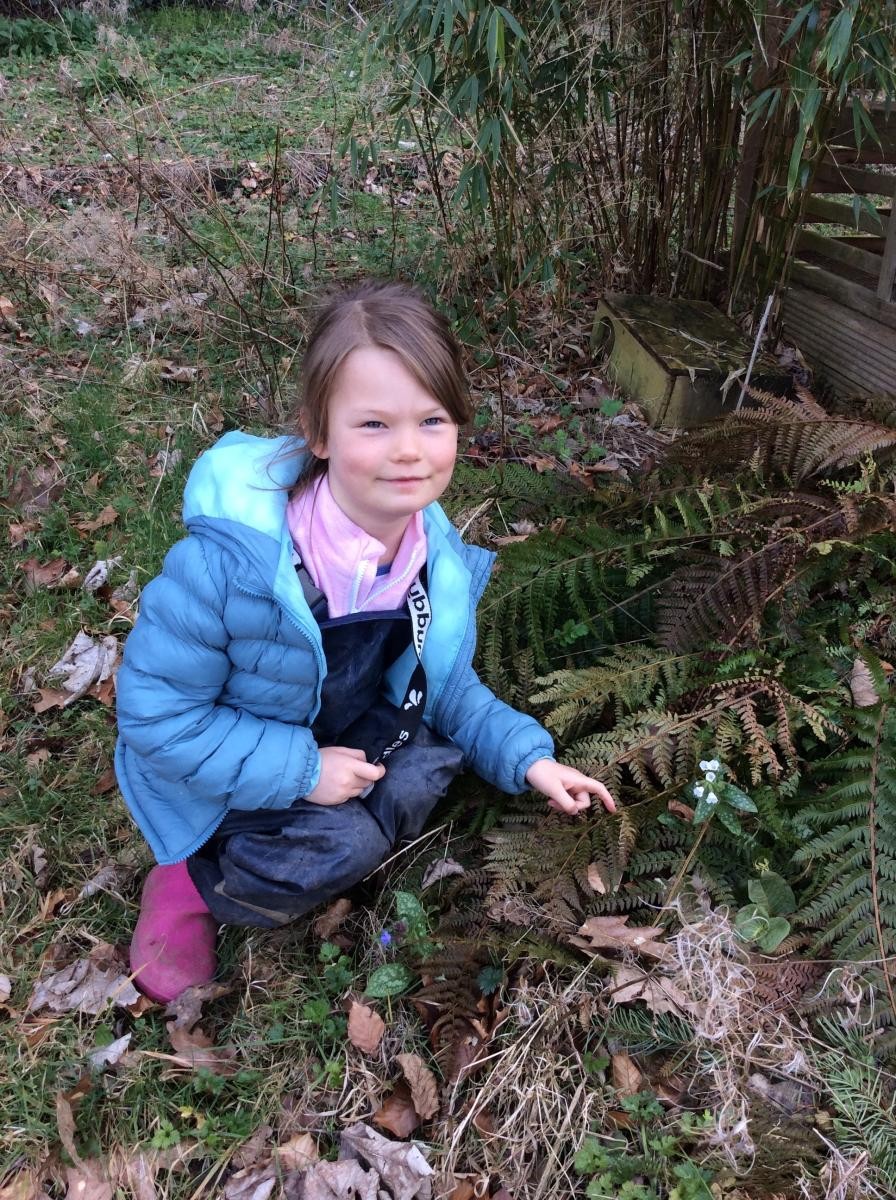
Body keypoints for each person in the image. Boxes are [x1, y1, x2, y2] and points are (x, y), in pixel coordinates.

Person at [115, 279, 616, 1003]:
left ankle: (333, 845)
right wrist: (302, 772)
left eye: (432, 420)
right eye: (374, 424)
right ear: (319, 434)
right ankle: (190, 879)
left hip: (339, 731)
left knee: (425, 769)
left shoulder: (431, 561)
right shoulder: (230, 567)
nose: (408, 451)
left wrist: (528, 758)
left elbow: (444, 686)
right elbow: (158, 719)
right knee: (347, 840)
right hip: (221, 770)